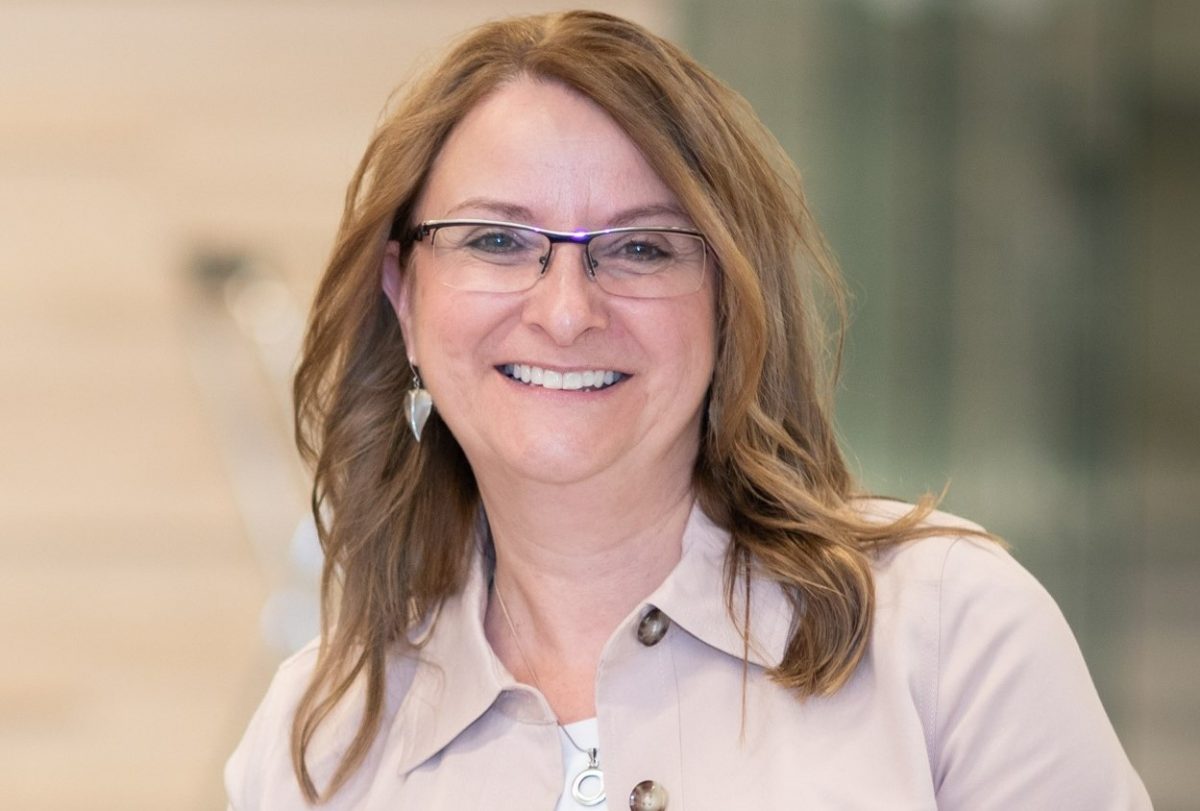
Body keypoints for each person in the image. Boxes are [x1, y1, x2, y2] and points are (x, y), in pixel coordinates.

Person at [225, 10, 1151, 810]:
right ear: (405, 297)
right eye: (497, 240)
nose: (565, 309)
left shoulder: (948, 633)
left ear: (729, 299)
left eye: (641, 249)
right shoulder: (316, 745)